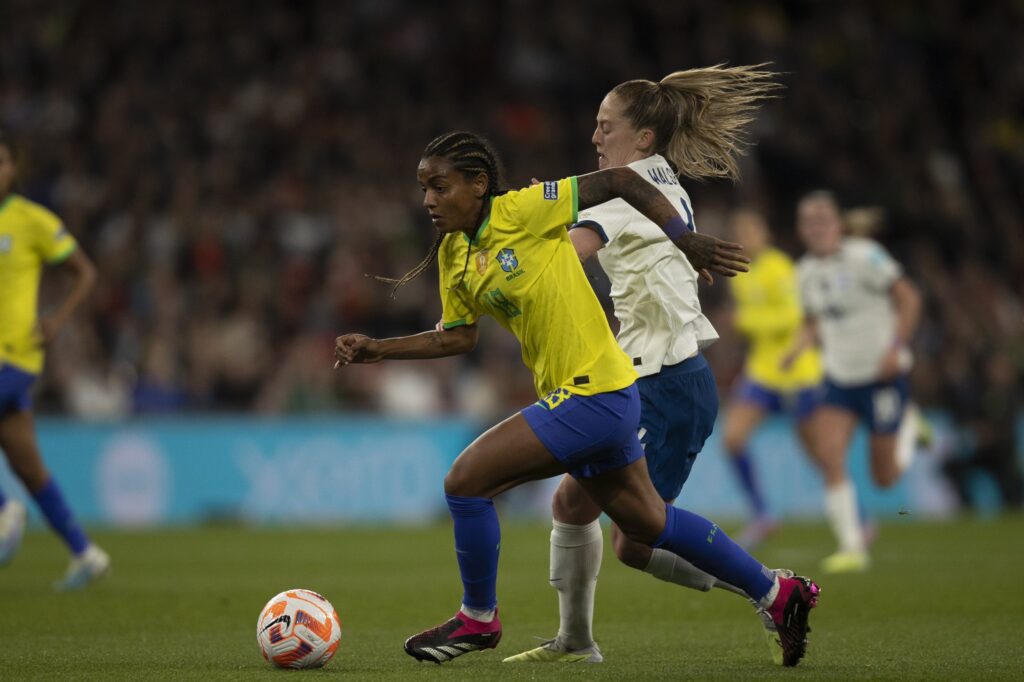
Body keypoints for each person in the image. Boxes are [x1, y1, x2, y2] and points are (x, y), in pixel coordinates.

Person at [335, 127, 820, 668]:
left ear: (479, 184)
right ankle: (778, 594)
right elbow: (458, 336)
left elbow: (618, 180)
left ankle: (479, 618)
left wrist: (681, 236)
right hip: (595, 397)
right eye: (424, 188)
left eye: (440, 187)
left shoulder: (523, 209)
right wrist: (380, 349)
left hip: (596, 392)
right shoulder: (454, 254)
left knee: (465, 482)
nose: (428, 200)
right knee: (648, 526)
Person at [501, 67, 814, 668]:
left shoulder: (624, 188)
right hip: (651, 377)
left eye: (606, 125)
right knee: (577, 509)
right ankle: (576, 641)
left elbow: (568, 257)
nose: (594, 135)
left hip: (664, 383)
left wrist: (508, 257)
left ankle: (776, 592)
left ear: (642, 137)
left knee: (636, 538)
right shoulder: (659, 178)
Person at [784, 190, 922, 573]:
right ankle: (852, 547)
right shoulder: (805, 273)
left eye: (823, 220)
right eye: (809, 222)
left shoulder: (866, 256)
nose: (817, 228)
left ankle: (909, 426)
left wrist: (896, 347)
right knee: (829, 455)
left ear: (838, 224)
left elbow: (909, 298)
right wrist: (797, 348)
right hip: (840, 378)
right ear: (801, 229)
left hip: (882, 378)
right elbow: (814, 321)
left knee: (885, 478)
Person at [0, 131, 111, 589]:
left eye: (3, 160)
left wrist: (57, 319)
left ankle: (4, 509)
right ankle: (86, 553)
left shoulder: (31, 220)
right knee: (27, 464)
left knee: (22, 473)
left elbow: (85, 272)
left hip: (14, 355)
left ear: (13, 169)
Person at [723, 210, 823, 549]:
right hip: (763, 372)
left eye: (751, 228)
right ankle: (763, 513)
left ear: (765, 232)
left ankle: (856, 515)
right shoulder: (739, 272)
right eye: (739, 230)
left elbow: (793, 317)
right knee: (733, 437)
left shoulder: (780, 266)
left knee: (819, 452)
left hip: (796, 371)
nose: (745, 236)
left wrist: (748, 321)